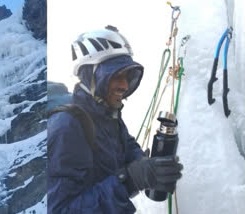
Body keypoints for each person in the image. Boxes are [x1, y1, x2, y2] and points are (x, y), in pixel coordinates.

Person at [48, 26, 183, 214]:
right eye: (116, 75)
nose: (125, 85)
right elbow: (61, 210)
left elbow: (126, 146)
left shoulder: (107, 114)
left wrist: (147, 167)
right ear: (91, 75)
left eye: (128, 76)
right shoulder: (68, 127)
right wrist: (129, 180)